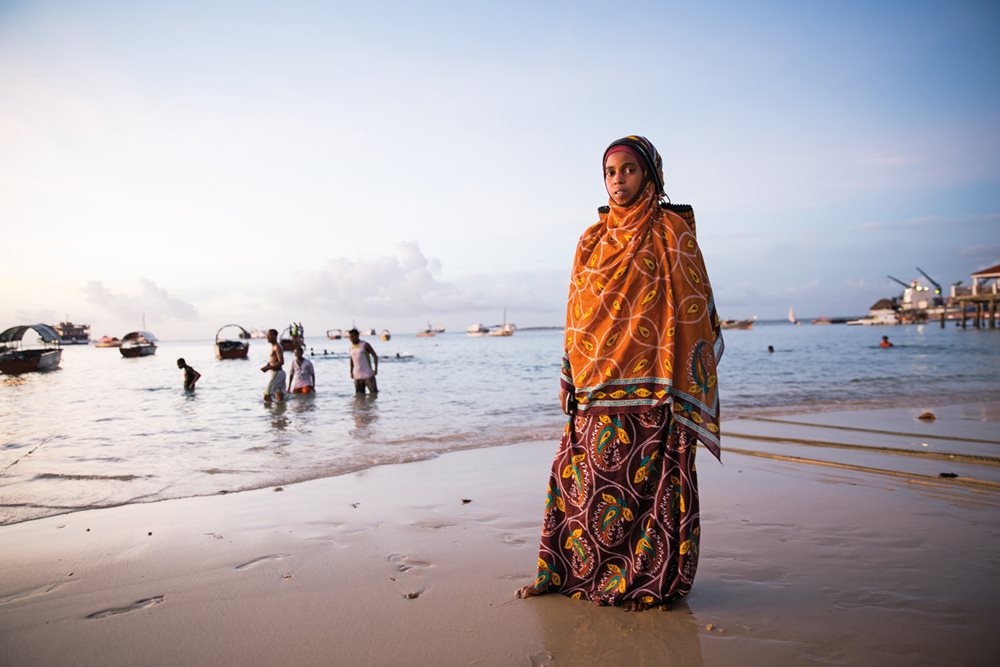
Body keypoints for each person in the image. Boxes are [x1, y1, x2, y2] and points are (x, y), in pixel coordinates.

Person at [516, 136, 723, 611]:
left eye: (629, 170)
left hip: (656, 387)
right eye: (610, 172)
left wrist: (684, 387)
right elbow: (577, 313)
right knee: (583, 484)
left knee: (654, 490)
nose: (618, 180)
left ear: (650, 174)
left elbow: (694, 311)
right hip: (594, 385)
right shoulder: (590, 239)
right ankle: (571, 574)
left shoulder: (672, 230)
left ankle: (650, 583)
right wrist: (568, 372)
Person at [348, 328, 379, 394]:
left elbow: (375, 356)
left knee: (374, 394)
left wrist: (375, 369)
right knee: (359, 397)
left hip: (368, 375)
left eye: (352, 337)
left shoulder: (365, 345)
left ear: (357, 335)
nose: (351, 339)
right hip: (357, 376)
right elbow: (351, 360)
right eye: (350, 337)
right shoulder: (351, 348)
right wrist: (351, 372)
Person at [260, 328, 286, 403]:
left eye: (270, 335)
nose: (267, 337)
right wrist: (267, 365)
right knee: (279, 396)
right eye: (268, 335)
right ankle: (281, 412)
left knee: (267, 395)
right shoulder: (273, 346)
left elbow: (281, 362)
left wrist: (268, 368)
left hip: (277, 373)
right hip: (279, 373)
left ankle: (271, 414)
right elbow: (274, 361)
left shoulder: (277, 347)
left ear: (275, 336)